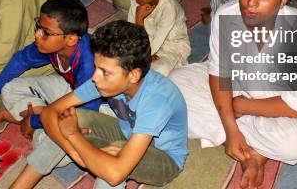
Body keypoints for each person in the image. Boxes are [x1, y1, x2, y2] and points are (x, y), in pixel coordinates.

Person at [170, 0, 297, 188]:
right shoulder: (226, 15)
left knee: (296, 143)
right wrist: (231, 128)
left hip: (280, 105)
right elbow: (218, 73)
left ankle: (257, 155)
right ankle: (251, 145)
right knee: (173, 85)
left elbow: (295, 108)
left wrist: (240, 106)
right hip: (234, 87)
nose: (251, 3)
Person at [10, 20, 188, 189]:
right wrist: (75, 154)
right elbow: (50, 112)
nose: (94, 77)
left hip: (164, 159)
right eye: (96, 67)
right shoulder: (109, 80)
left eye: (104, 72)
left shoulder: (157, 101)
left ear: (133, 75)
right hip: (127, 133)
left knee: (110, 159)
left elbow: (115, 173)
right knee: (69, 118)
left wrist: (73, 136)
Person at [0, 0, 104, 132]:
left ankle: (36, 120)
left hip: (100, 105)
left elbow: (86, 114)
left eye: (46, 32)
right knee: (9, 87)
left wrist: (34, 121)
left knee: (73, 132)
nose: (38, 35)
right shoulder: (50, 46)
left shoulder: (90, 65)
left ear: (70, 39)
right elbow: (20, 61)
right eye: (38, 27)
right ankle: (43, 119)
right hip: (73, 88)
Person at [127, 0, 190, 76]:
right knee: (118, 59)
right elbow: (131, 34)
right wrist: (144, 53)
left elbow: (150, 46)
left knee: (158, 71)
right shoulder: (136, 1)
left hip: (171, 49)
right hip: (145, 45)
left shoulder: (168, 8)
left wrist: (139, 20)